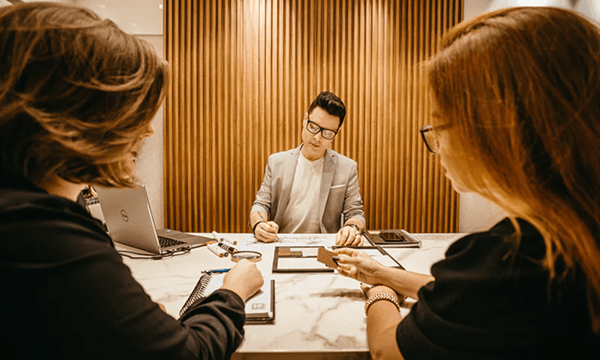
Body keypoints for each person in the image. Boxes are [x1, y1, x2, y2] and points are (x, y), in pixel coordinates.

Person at [0, 3, 263, 359]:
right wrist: (233, 293)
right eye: (133, 110)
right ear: (74, 113)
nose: (149, 129)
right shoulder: (42, 234)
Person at [335, 6, 600, 359]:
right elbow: (469, 298)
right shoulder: (571, 234)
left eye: (439, 123)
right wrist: (385, 273)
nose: (436, 145)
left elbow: (387, 349)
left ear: (494, 130)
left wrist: (378, 293)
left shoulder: (516, 260)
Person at [249, 91, 366, 246]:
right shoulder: (277, 162)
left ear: (336, 133)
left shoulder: (347, 167)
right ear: (305, 120)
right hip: (281, 243)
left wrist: (352, 227)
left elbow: (356, 212)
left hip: (326, 246)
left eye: (328, 133)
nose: (317, 137)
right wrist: (258, 224)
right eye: (313, 127)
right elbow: (261, 204)